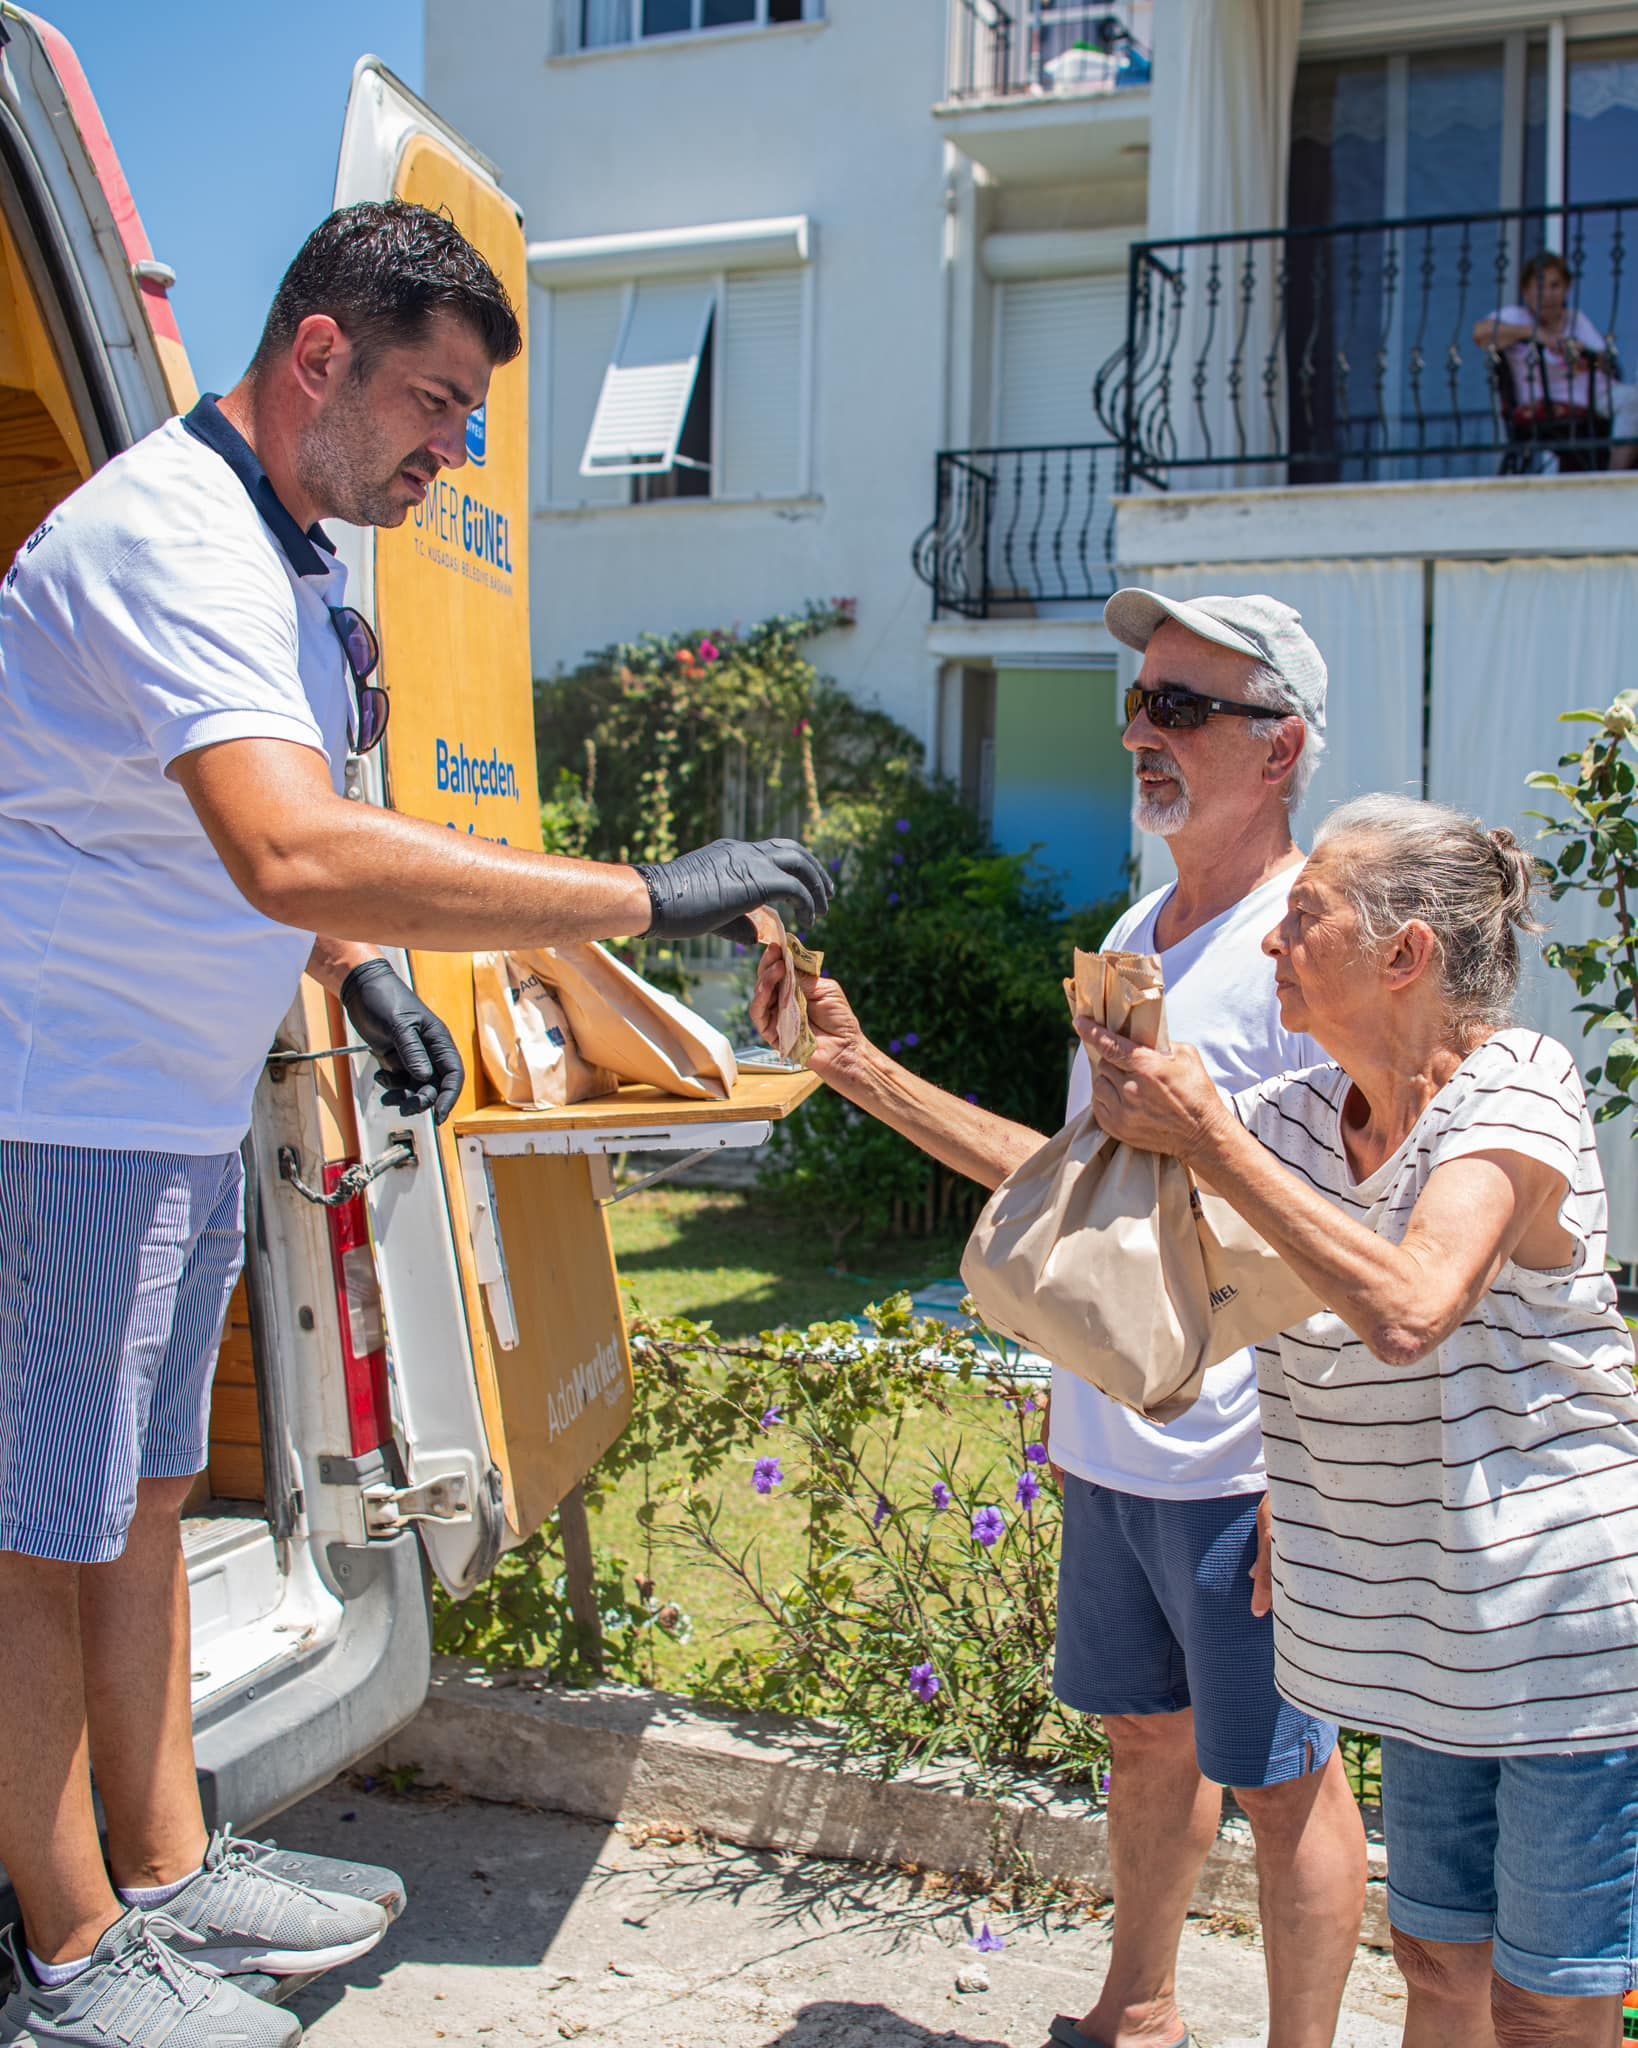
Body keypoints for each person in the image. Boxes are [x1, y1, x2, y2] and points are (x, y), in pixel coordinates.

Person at [0, 200, 832, 2048]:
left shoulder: (285, 556)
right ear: (319, 358)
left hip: (159, 1099)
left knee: (137, 1501)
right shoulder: (170, 534)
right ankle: (66, 1960)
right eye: (434, 407)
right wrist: (642, 897)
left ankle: (162, 1863)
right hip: (51, 1106)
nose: (449, 456)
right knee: (37, 1532)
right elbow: (281, 838)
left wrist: (355, 961)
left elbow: (279, 833)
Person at [753, 589, 1367, 2048]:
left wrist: (1313, 1464)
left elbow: (1365, 1215)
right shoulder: (1134, 928)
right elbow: (1068, 1190)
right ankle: (1135, 2013)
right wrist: (852, 1069)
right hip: (1112, 1434)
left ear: (1278, 748)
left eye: (1181, 707)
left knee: (1285, 1780)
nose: (1137, 731)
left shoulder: (1313, 945)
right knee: (1144, 1738)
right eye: (1139, 701)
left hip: (1241, 1458)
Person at [1085, 792, 1638, 2048]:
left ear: (1405, 955)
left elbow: (1411, 1306)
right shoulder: (1290, 1123)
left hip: (1561, 1633)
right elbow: (1091, 1215)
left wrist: (1211, 1139)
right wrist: (864, 1075)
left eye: (1304, 918)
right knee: (1438, 1962)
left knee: (1549, 2003)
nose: (1272, 943)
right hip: (1435, 1638)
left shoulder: (1518, 1085)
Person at [1474, 249, 1638, 472]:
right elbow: (1480, 335)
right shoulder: (1515, 316)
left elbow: (1605, 362)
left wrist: (1585, 356)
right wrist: (1536, 334)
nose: (1548, 295)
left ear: (1566, 290)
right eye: (1540, 287)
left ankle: (1619, 475)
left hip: (1596, 395)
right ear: (1526, 292)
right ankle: (1613, 479)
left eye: (1555, 286)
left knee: (1633, 400)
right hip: (1550, 402)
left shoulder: (1575, 319)